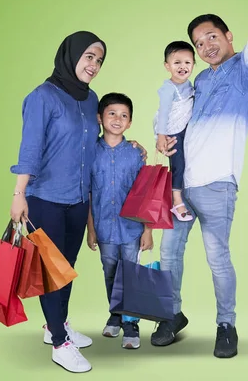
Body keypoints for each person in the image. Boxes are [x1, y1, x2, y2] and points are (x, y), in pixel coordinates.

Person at [9, 31, 151, 373]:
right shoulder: (42, 97)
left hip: (78, 199)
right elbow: (30, 148)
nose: (94, 65)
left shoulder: (91, 100)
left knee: (66, 268)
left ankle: (56, 324)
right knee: (49, 271)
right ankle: (60, 343)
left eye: (99, 60)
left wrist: (133, 147)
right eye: (89, 57)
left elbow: (103, 141)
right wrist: (18, 194)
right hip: (45, 198)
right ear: (71, 55)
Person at [150, 3, 248, 359]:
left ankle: (226, 324)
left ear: (228, 36)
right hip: (183, 185)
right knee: (169, 253)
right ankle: (171, 315)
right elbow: (178, 115)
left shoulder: (244, 69)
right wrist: (160, 134)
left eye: (212, 36)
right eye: (198, 42)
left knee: (217, 256)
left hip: (218, 183)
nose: (205, 45)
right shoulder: (201, 79)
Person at [85, 92, 154, 350]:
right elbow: (89, 193)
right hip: (103, 227)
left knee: (130, 274)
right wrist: (90, 229)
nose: (117, 119)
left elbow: (146, 194)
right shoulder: (90, 152)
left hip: (132, 228)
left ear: (130, 122)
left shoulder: (136, 153)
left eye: (124, 115)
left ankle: (131, 324)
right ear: (100, 117)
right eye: (112, 113)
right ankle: (115, 313)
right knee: (110, 272)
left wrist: (148, 230)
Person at [153, 41, 196, 221]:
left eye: (187, 62)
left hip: (186, 130)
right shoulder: (168, 89)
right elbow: (163, 114)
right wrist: (161, 136)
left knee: (188, 162)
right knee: (178, 166)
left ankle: (186, 194)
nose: (182, 67)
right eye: (177, 62)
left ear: (193, 65)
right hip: (172, 131)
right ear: (167, 66)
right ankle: (176, 201)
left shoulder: (190, 84)